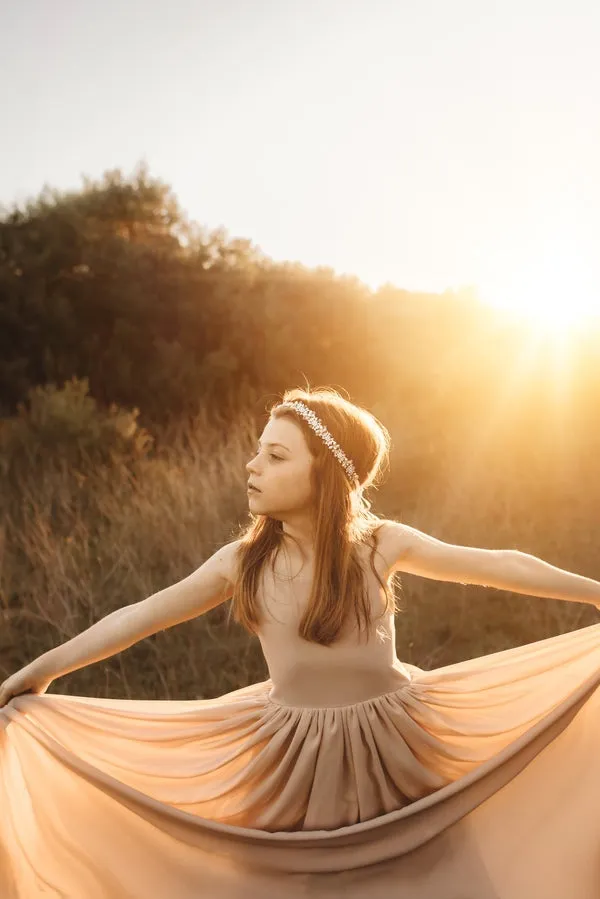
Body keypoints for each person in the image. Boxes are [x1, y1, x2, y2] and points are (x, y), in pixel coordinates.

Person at [1, 386, 600, 899]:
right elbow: (139, 616)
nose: (252, 467)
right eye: (258, 452)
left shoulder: (379, 545)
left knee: (449, 873)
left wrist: (594, 593)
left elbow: (498, 563)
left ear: (327, 472)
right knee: (283, 880)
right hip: (291, 759)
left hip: (396, 746)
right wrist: (43, 669)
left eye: (276, 455)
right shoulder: (242, 562)